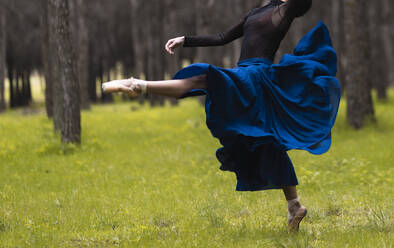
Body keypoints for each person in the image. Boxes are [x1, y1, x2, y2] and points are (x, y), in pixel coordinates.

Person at [102, 0, 341, 231]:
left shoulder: (286, 10)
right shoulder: (256, 12)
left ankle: (138, 85)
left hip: (258, 77)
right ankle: (294, 205)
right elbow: (222, 38)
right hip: (246, 73)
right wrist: (185, 40)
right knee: (267, 141)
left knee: (205, 79)